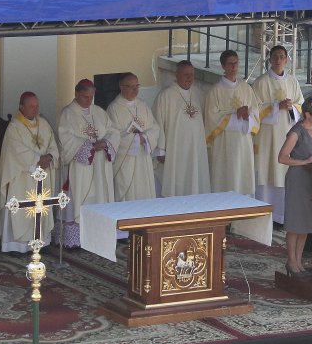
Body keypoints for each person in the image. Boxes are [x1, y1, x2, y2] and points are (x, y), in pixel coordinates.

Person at [58, 79, 120, 247]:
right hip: (80, 168)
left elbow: (113, 131)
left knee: (100, 197)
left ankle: (98, 237)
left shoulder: (99, 111)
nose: (89, 101)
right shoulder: (68, 114)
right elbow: (66, 139)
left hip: (100, 167)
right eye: (85, 97)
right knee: (79, 199)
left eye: (91, 97)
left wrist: (106, 143)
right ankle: (75, 242)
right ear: (77, 94)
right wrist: (90, 146)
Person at [0, 92, 59, 255]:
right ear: (21, 107)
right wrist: (37, 159)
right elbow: (15, 151)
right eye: (31, 106)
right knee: (22, 209)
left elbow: (53, 144)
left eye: (37, 106)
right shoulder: (14, 127)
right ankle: (17, 245)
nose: (35, 109)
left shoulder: (44, 124)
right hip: (22, 177)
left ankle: (41, 241)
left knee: (40, 208)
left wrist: (50, 157)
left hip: (42, 175)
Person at [253, 46, 304, 223]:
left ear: (287, 60)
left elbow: (301, 105)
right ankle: (265, 215)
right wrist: (275, 107)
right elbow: (254, 109)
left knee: (283, 173)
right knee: (268, 170)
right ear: (269, 59)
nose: (278, 60)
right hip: (268, 136)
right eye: (275, 57)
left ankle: (282, 217)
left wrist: (292, 108)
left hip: (287, 133)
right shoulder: (261, 82)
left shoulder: (292, 81)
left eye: (282, 57)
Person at [278, 96, 312, 278]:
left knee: (306, 224)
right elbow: (282, 157)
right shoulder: (296, 132)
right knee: (295, 224)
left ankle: (299, 262)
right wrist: (304, 161)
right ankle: (291, 261)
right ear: (307, 114)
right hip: (298, 179)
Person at [205, 50, 260, 195]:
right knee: (227, 179)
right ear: (223, 66)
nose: (234, 67)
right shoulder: (215, 91)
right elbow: (211, 118)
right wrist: (235, 115)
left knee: (243, 178)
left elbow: (256, 112)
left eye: (236, 63)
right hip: (225, 143)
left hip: (243, 142)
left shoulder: (246, 88)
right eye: (230, 64)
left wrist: (248, 115)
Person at [153, 60, 210, 196]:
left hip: (196, 149)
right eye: (185, 74)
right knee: (177, 180)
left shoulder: (199, 94)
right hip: (175, 150)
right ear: (176, 75)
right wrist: (161, 149)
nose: (189, 78)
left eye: (191, 74)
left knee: (195, 178)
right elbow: (158, 122)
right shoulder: (166, 96)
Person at [107, 73, 160, 202]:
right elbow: (112, 135)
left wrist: (146, 137)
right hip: (126, 160)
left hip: (143, 157)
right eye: (131, 87)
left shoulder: (143, 105)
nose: (135, 90)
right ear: (121, 87)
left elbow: (154, 127)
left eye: (137, 86)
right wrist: (135, 139)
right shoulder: (114, 108)